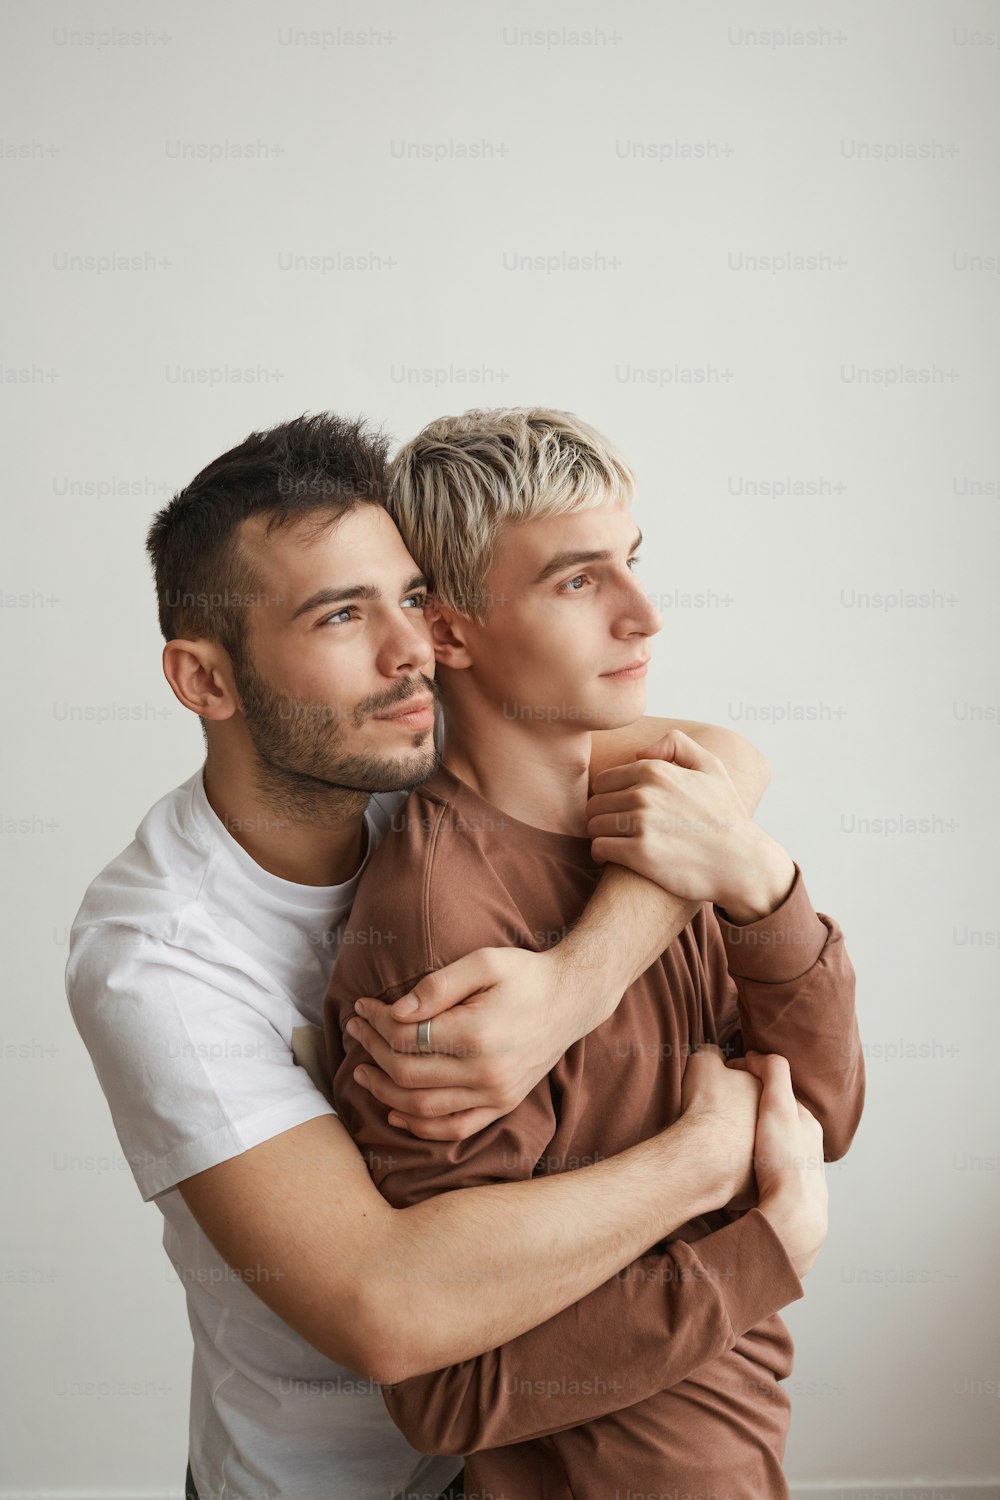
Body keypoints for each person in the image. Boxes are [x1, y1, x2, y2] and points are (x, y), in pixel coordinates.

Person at [66, 412, 800, 1500]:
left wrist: (569, 989)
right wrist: (709, 1156)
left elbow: (722, 764)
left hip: (541, 1450)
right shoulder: (155, 960)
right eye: (339, 614)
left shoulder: (410, 741)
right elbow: (385, 1308)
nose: (410, 647)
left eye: (409, 596)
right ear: (205, 680)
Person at [326, 407, 864, 1499]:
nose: (645, 618)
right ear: (452, 630)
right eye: (579, 582)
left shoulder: (663, 827)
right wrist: (766, 1248)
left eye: (630, 565)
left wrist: (762, 885)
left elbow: (822, 1117)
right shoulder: (441, 926)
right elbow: (446, 1389)